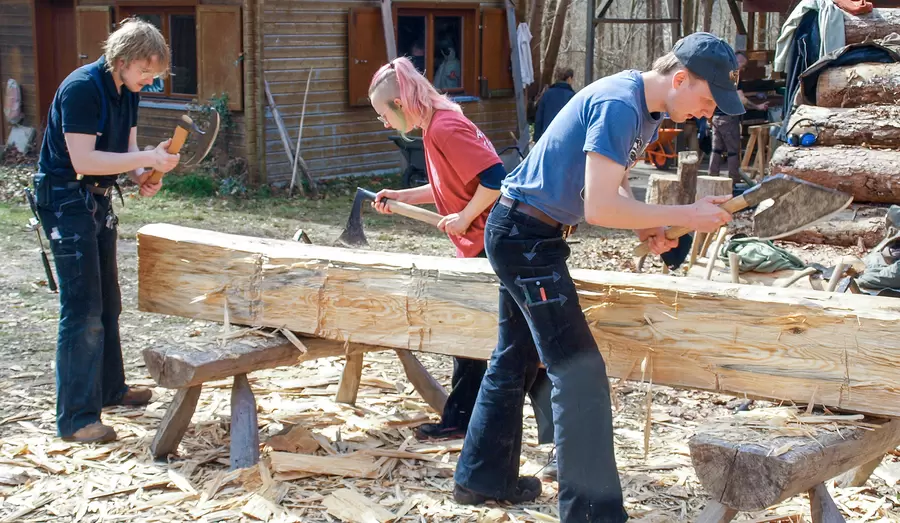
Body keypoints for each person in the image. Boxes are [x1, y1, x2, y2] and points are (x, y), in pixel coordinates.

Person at [452, 32, 741, 522]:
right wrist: (688, 213)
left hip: (527, 231)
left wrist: (649, 223)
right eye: (706, 99)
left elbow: (612, 182)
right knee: (579, 373)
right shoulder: (619, 103)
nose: (707, 113)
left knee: (514, 357)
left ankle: (483, 479)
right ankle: (591, 514)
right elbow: (600, 206)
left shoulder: (644, 110)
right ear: (679, 79)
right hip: (526, 237)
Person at [367, 57, 557, 468]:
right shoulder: (436, 127)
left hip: (496, 245)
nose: (383, 122)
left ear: (401, 103)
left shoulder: (446, 128)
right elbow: (450, 187)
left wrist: (467, 217)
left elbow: (494, 179)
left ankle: (546, 430)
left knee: (507, 340)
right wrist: (402, 197)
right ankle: (461, 419)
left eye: (384, 113)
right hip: (479, 245)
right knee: (478, 335)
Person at [32, 18, 180, 444]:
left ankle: (110, 390)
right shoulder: (82, 88)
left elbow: (124, 154)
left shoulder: (128, 91)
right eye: (146, 71)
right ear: (122, 59)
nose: (151, 80)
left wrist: (141, 172)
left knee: (108, 302)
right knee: (83, 311)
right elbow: (83, 160)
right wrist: (141, 158)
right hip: (64, 197)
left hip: (95, 198)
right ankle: (77, 419)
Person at [708, 51, 769, 183]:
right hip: (728, 118)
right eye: (742, 65)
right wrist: (757, 107)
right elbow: (742, 100)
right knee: (733, 151)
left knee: (716, 149)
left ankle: (711, 177)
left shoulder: (719, 74)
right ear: (737, 61)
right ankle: (734, 179)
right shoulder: (733, 75)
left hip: (716, 117)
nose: (742, 68)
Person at [533, 67, 576, 142]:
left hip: (547, 137)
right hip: (565, 138)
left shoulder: (547, 94)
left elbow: (539, 117)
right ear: (569, 78)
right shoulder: (571, 96)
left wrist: (537, 138)